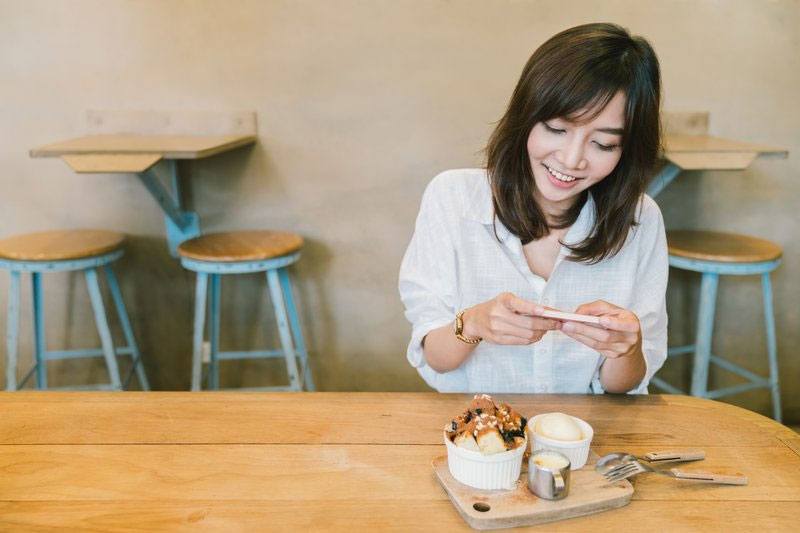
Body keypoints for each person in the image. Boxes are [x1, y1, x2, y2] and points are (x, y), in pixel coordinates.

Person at [398, 23, 667, 394]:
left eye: (603, 144)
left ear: (627, 152)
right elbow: (438, 360)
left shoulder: (640, 220)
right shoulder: (453, 199)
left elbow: (621, 387)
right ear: (525, 117)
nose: (572, 160)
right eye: (557, 129)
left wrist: (626, 348)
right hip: (476, 437)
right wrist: (474, 323)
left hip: (581, 437)